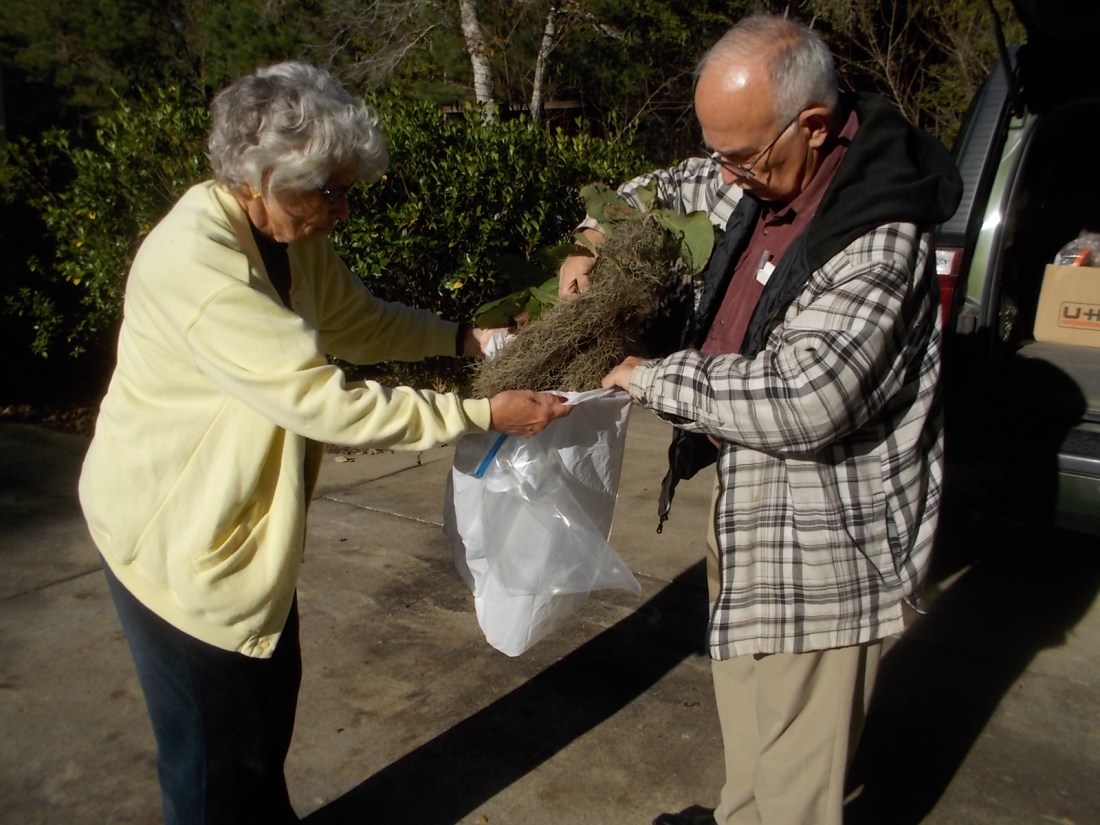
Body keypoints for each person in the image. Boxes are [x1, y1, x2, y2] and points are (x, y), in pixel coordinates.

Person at [78, 61, 571, 824]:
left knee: (260, 738)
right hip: (177, 545)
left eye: (347, 190)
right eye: (330, 190)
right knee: (215, 768)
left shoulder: (286, 229)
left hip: (242, 540)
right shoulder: (200, 264)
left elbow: (355, 322)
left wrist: (469, 339)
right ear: (264, 173)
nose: (342, 210)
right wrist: (479, 415)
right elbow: (323, 404)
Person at [565, 14, 961, 825]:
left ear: (812, 126)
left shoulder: (879, 237)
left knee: (795, 785)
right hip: (751, 515)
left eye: (740, 154)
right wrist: (596, 235)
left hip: (825, 543)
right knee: (749, 728)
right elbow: (666, 187)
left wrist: (654, 376)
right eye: (719, 150)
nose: (725, 173)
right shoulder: (755, 174)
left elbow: (803, 399)